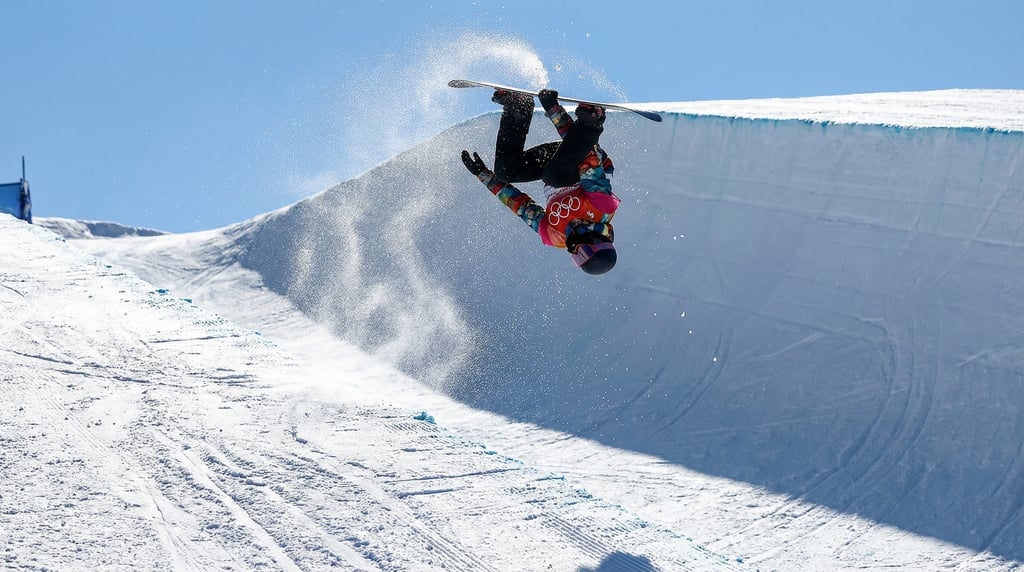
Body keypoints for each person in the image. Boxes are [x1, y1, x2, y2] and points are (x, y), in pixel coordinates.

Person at [461, 88, 620, 275]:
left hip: (555, 165)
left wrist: (483, 175)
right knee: (555, 176)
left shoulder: (555, 235)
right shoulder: (602, 208)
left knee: (506, 171)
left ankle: (518, 106)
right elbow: (587, 157)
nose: (574, 251)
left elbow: (522, 207)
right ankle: (593, 120)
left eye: (577, 259)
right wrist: (555, 111)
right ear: (597, 243)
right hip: (585, 154)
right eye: (582, 253)